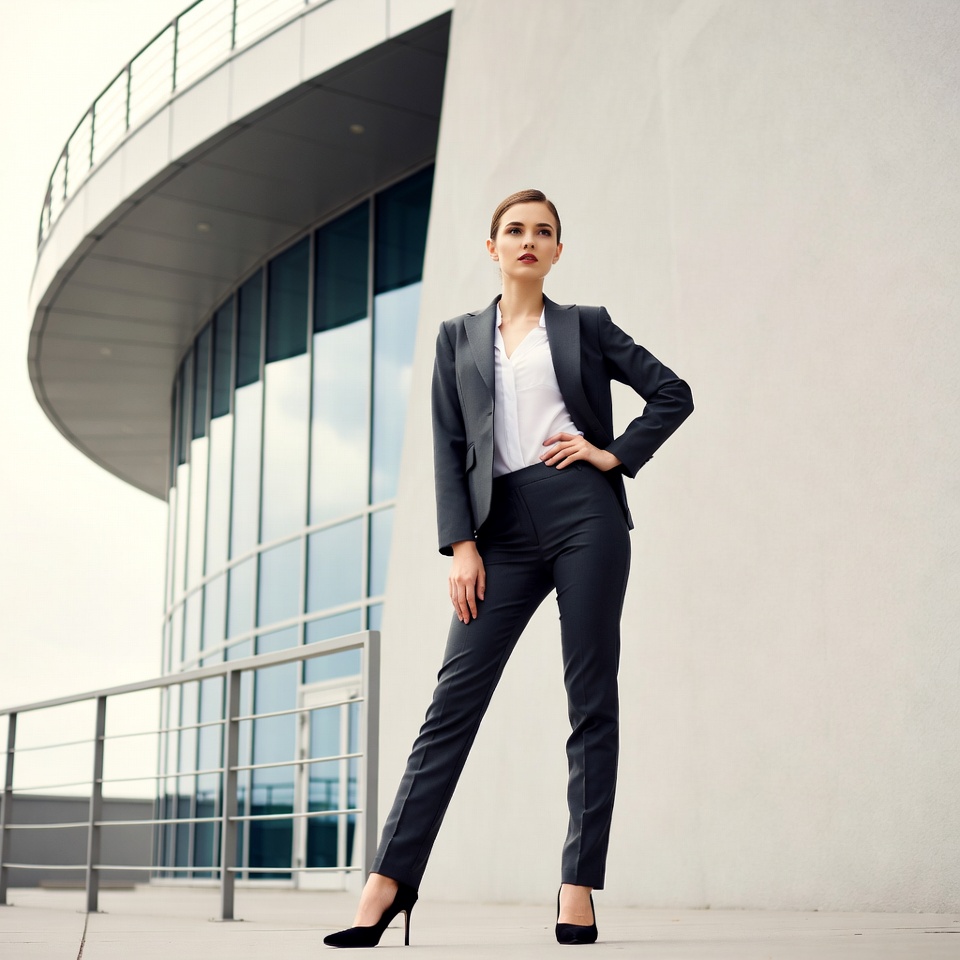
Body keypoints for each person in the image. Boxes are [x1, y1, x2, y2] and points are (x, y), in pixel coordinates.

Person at [323, 189, 694, 948]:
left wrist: (612, 454)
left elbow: (671, 393)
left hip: (584, 513)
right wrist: (460, 545)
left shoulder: (585, 326)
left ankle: (577, 885)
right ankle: (389, 882)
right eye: (515, 230)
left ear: (558, 251)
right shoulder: (457, 338)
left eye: (543, 232)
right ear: (491, 247)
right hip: (498, 534)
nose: (529, 240)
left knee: (590, 697)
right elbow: (446, 443)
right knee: (452, 703)